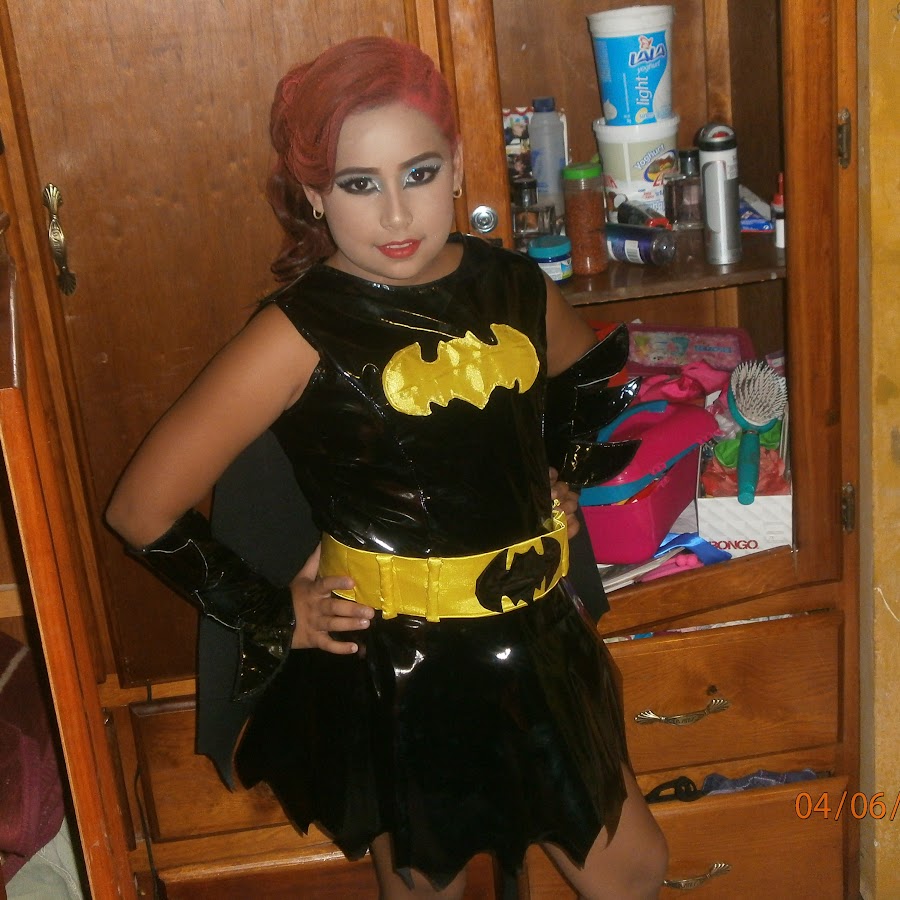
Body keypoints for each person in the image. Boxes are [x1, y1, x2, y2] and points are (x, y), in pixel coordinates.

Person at [105, 35, 667, 899]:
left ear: (458, 165)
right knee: (426, 885)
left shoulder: (515, 284)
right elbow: (141, 509)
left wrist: (555, 474)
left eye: (420, 172)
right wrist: (272, 611)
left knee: (634, 869)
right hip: (403, 666)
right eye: (359, 185)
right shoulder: (294, 334)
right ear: (313, 193)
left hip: (540, 637)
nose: (398, 216)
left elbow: (582, 379)